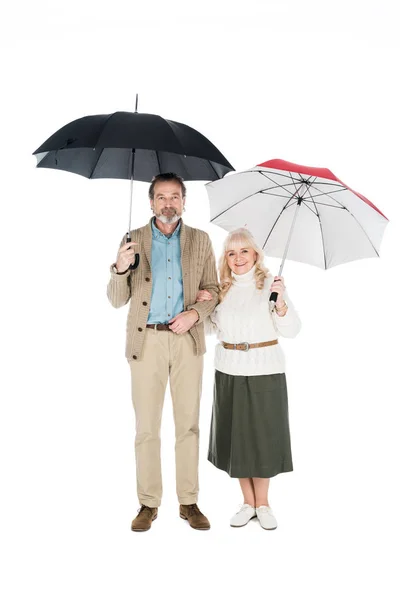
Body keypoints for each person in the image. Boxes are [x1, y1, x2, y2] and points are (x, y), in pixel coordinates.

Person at [107, 173, 219, 532]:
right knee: (147, 428)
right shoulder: (133, 240)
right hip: (147, 341)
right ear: (151, 202)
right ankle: (148, 504)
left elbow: (213, 290)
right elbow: (115, 299)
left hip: (189, 341)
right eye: (161, 197)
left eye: (174, 196)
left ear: (184, 202)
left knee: (188, 424)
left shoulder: (200, 241)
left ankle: (188, 502)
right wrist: (120, 268)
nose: (168, 203)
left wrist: (195, 314)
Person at [196, 228, 301, 530]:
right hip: (229, 370)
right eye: (231, 253)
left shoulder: (270, 284)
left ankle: (264, 504)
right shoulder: (221, 289)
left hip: (265, 371)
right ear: (225, 258)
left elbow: (292, 329)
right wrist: (202, 303)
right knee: (237, 438)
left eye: (244, 251)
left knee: (263, 438)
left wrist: (280, 302)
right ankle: (247, 502)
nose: (238, 258)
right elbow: (209, 330)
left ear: (255, 254)